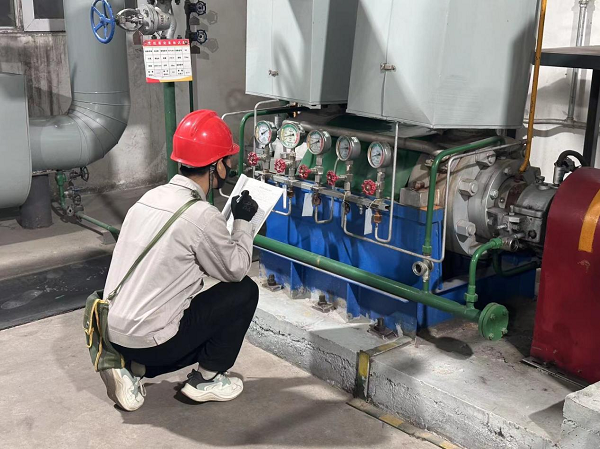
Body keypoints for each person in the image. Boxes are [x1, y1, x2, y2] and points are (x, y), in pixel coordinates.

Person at [100, 109, 260, 411]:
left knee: (193, 296)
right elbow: (236, 269)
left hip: (115, 334)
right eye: (228, 160)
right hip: (153, 343)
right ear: (216, 165)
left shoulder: (148, 198)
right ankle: (207, 379)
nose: (230, 166)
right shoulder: (201, 215)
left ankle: (133, 368)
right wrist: (242, 222)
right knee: (243, 292)